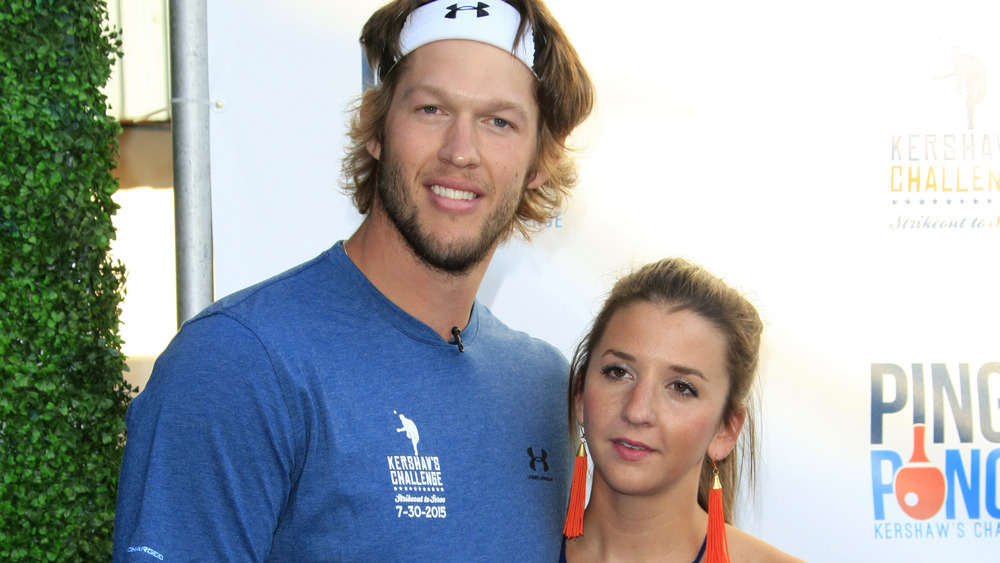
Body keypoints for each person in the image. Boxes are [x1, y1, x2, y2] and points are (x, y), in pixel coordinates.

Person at [113, 0, 594, 560]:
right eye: (431, 109)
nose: (461, 151)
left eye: (499, 121)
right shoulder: (240, 361)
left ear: (538, 161)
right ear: (376, 127)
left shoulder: (542, 383)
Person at [561, 258, 803, 562]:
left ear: (726, 431)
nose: (637, 411)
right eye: (618, 372)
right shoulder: (508, 549)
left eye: (681, 387)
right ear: (581, 394)